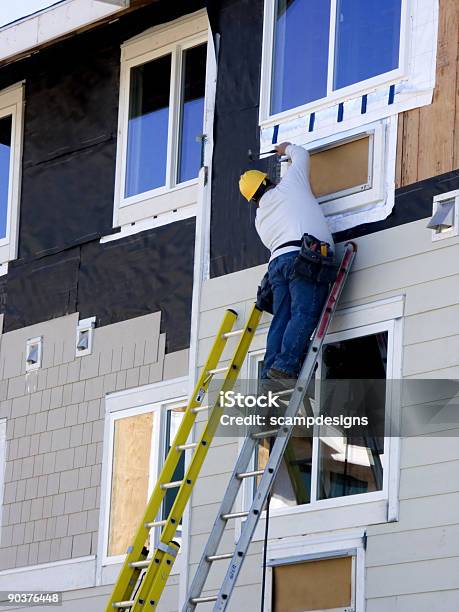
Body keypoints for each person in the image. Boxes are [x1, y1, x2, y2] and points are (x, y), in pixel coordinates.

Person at [239, 142, 334, 383]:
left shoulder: (260, 219)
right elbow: (301, 154)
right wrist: (285, 149)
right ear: (268, 181)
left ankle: (268, 374)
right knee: (303, 312)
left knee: (281, 320)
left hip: (277, 266)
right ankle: (286, 365)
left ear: (252, 199)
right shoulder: (290, 186)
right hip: (302, 258)